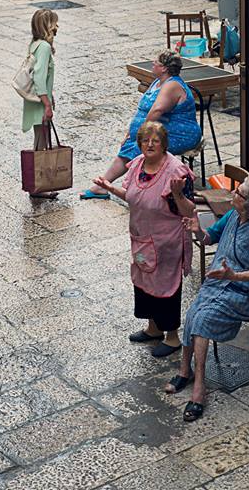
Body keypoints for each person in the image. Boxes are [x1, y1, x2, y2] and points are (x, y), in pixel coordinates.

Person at [166, 177, 249, 422]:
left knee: (203, 319)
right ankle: (185, 370)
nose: (233, 194)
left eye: (239, 193)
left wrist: (234, 275)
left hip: (243, 292)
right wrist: (197, 230)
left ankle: (199, 387)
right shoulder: (233, 216)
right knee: (193, 312)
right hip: (217, 284)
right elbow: (209, 238)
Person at [93, 122, 195, 357]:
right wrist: (109, 187)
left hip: (166, 242)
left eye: (155, 140)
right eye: (145, 140)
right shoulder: (137, 164)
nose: (150, 144)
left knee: (166, 288)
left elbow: (188, 211)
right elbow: (131, 196)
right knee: (144, 283)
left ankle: (171, 337)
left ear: (164, 144)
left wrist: (178, 193)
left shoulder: (176, 171)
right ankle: (153, 328)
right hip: (142, 237)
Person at [80, 50, 202, 200]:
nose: (152, 64)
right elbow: (143, 112)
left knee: (140, 146)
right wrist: (130, 133)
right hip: (158, 128)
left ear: (164, 68)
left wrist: (140, 134)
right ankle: (104, 185)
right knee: (132, 144)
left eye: (156, 62)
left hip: (180, 134)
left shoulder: (172, 86)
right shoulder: (157, 82)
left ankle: (119, 186)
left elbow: (157, 111)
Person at [21, 9, 59, 198]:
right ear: (47, 26)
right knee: (41, 144)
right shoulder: (43, 47)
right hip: (39, 102)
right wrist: (47, 104)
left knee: (40, 141)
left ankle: (37, 184)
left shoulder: (34, 44)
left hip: (35, 101)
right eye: (54, 23)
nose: (57, 26)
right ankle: (38, 186)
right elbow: (39, 77)